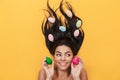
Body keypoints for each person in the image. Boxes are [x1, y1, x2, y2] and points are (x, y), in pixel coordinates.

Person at [38, 0, 88, 80]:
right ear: (53, 56)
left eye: (68, 54)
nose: (63, 58)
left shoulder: (81, 72)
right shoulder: (44, 72)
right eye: (58, 54)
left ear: (73, 56)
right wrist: (49, 77)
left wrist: (76, 77)